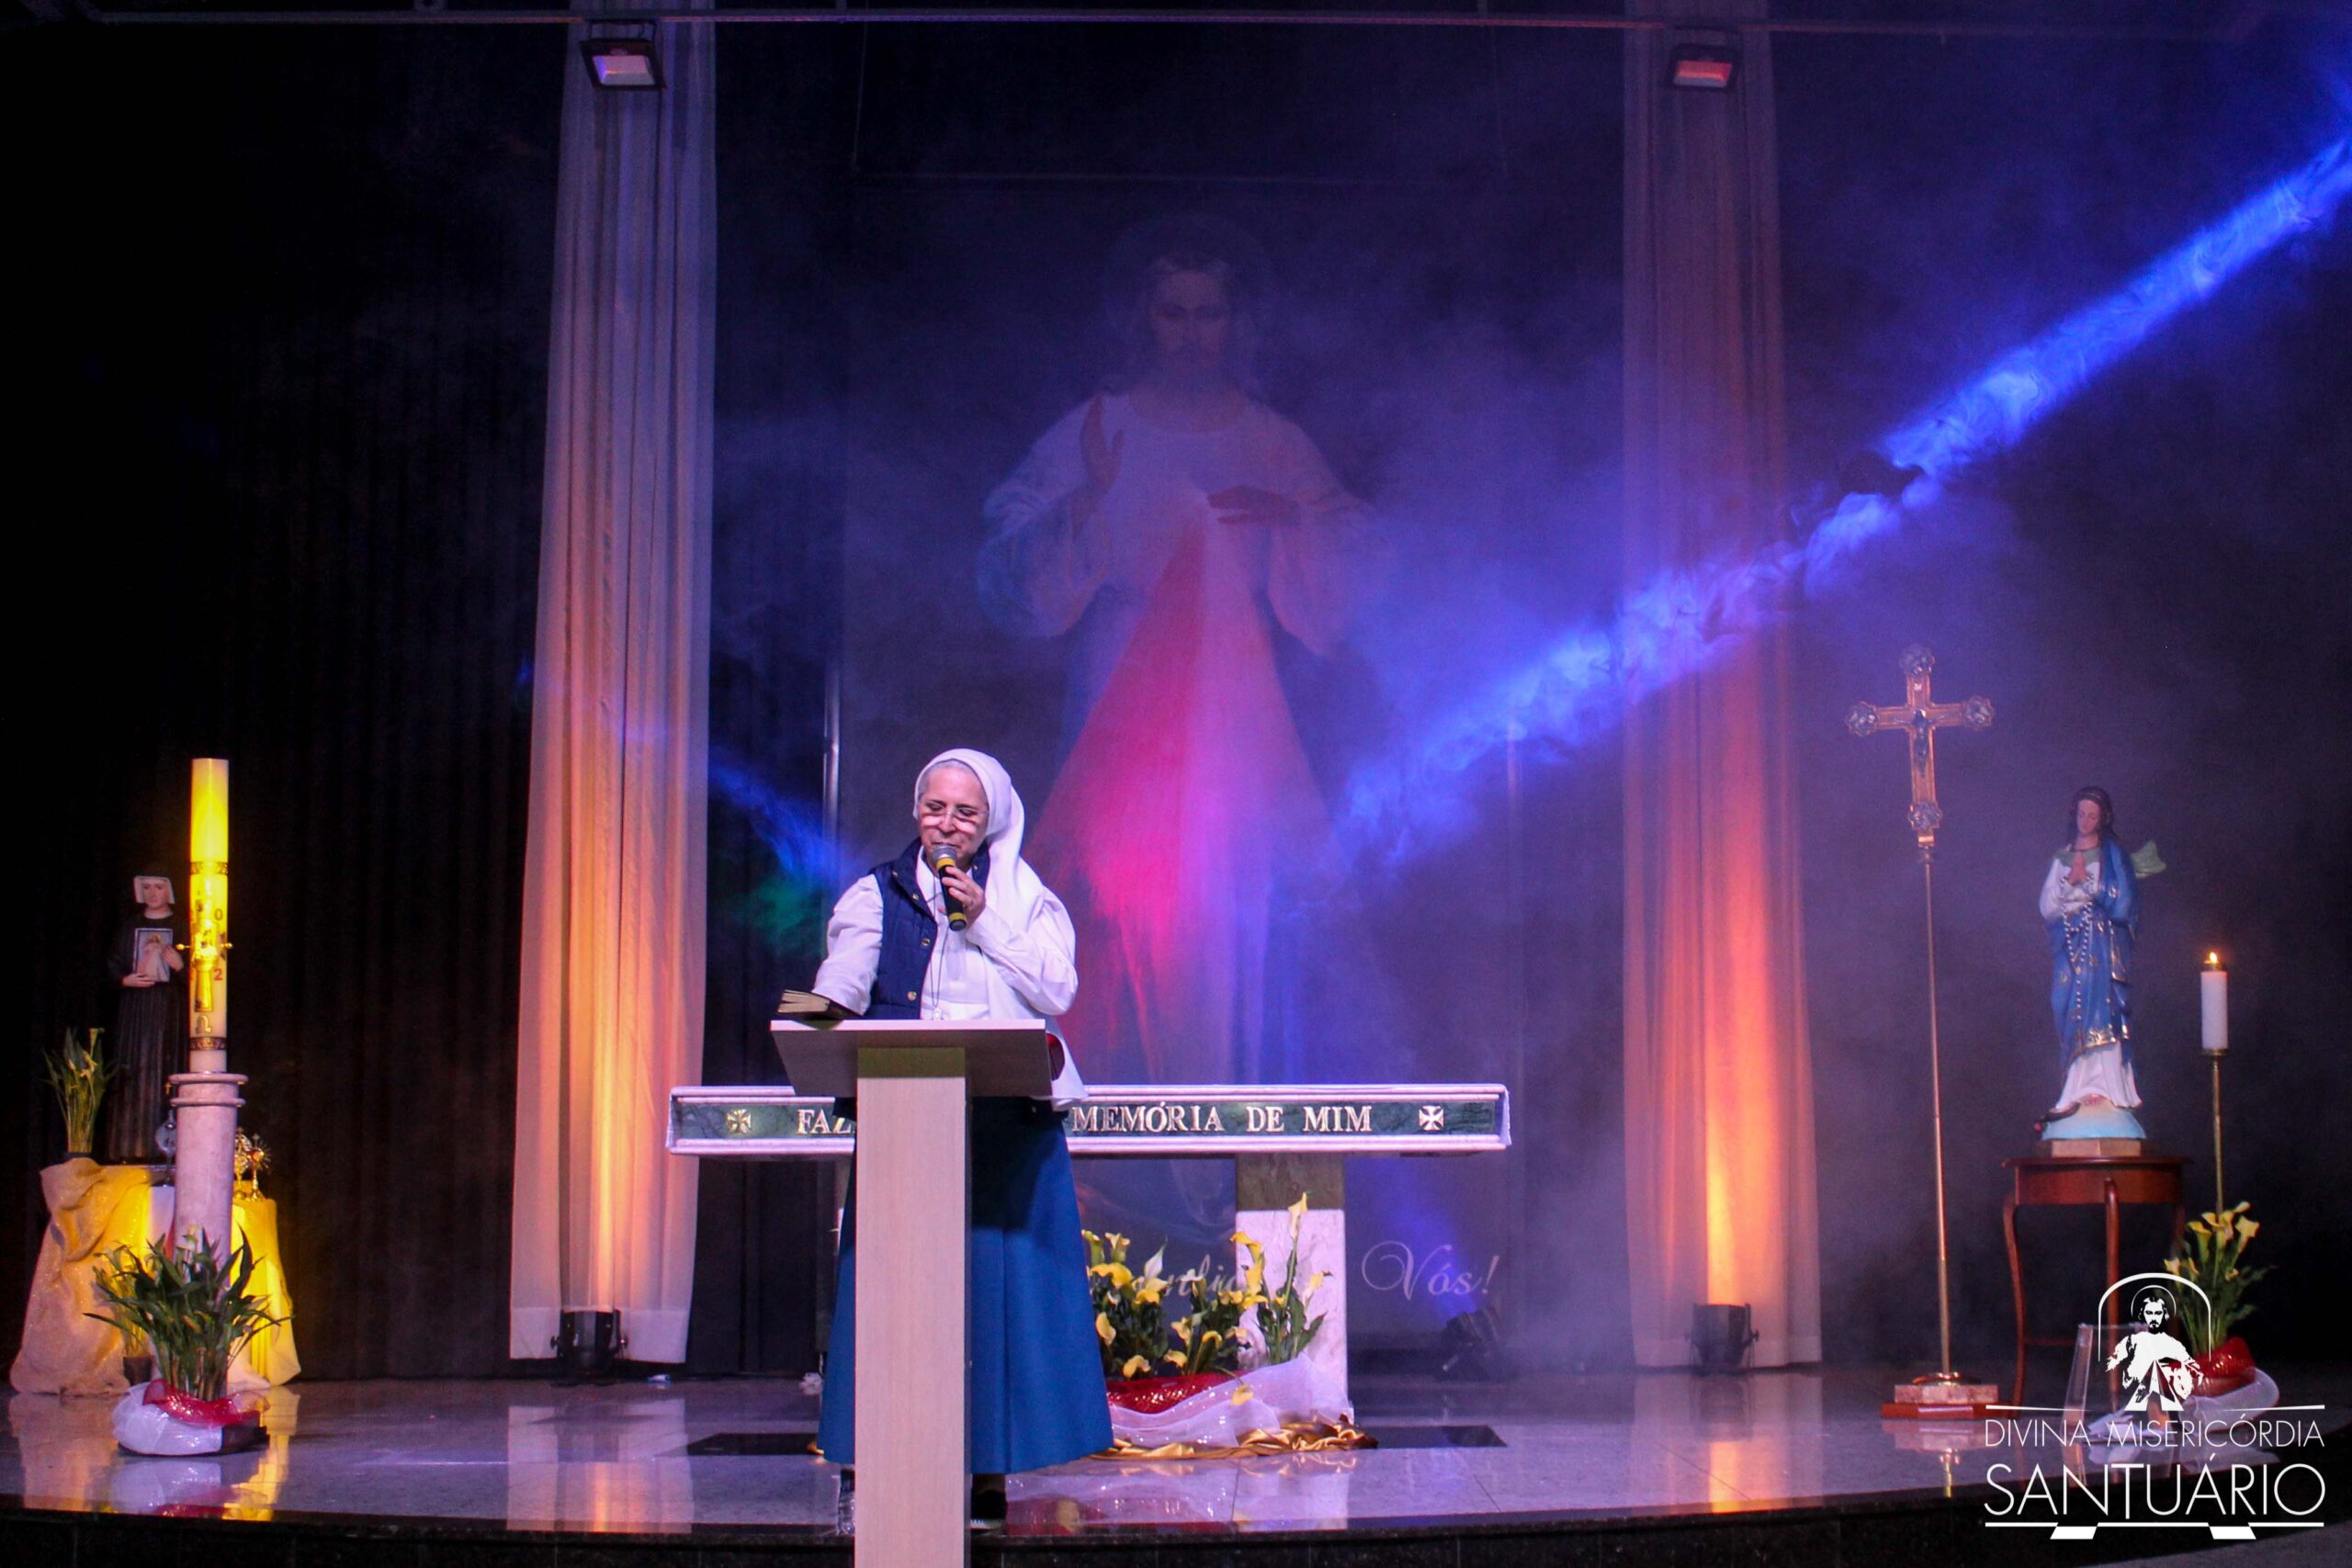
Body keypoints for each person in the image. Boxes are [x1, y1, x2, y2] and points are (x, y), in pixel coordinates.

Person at [978, 215, 1361, 1116]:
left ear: (1237, 321)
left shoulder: (1273, 440)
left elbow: (1353, 557)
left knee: (1231, 899)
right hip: (1122, 685)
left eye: (1209, 312)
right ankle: (1114, 1118)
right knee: (1120, 891)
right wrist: (1085, 500)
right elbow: (1007, 558)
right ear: (1142, 317)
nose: (1191, 332)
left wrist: (1291, 524)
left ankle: (1231, 1104)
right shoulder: (1098, 427)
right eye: (1173, 311)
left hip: (1233, 697)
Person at [807, 749, 1111, 1505]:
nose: (946, 824)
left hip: (1007, 1125)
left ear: (991, 820)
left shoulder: (1023, 899)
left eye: (964, 812)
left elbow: (1057, 988)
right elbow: (840, 981)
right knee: (895, 1292)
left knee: (994, 1296)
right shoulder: (877, 894)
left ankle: (987, 1463)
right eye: (935, 807)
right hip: (907, 1118)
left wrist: (983, 920)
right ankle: (878, 1457)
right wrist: (809, 1014)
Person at [2038, 786, 2141, 1126]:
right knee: (2066, 1005)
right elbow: (2047, 906)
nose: (2086, 821)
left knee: (2103, 1009)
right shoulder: (2064, 856)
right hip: (2071, 947)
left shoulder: (2113, 856)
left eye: (2092, 816)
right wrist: (2072, 880)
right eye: (2081, 814)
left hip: (2102, 947)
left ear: (2103, 818)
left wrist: (2086, 889)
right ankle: (2076, 1087)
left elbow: (2122, 901)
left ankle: (2108, 1088)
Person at [100, 872, 187, 1164]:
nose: (152, 893)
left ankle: (166, 1151)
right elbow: (112, 965)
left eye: (159, 887)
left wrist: (180, 967)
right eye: (147, 887)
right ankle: (127, 1149)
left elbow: (203, 975)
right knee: (133, 1073)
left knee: (164, 1070)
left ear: (169, 891)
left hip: (168, 1011)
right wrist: (125, 980)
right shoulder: (130, 926)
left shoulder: (181, 926)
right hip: (135, 1012)